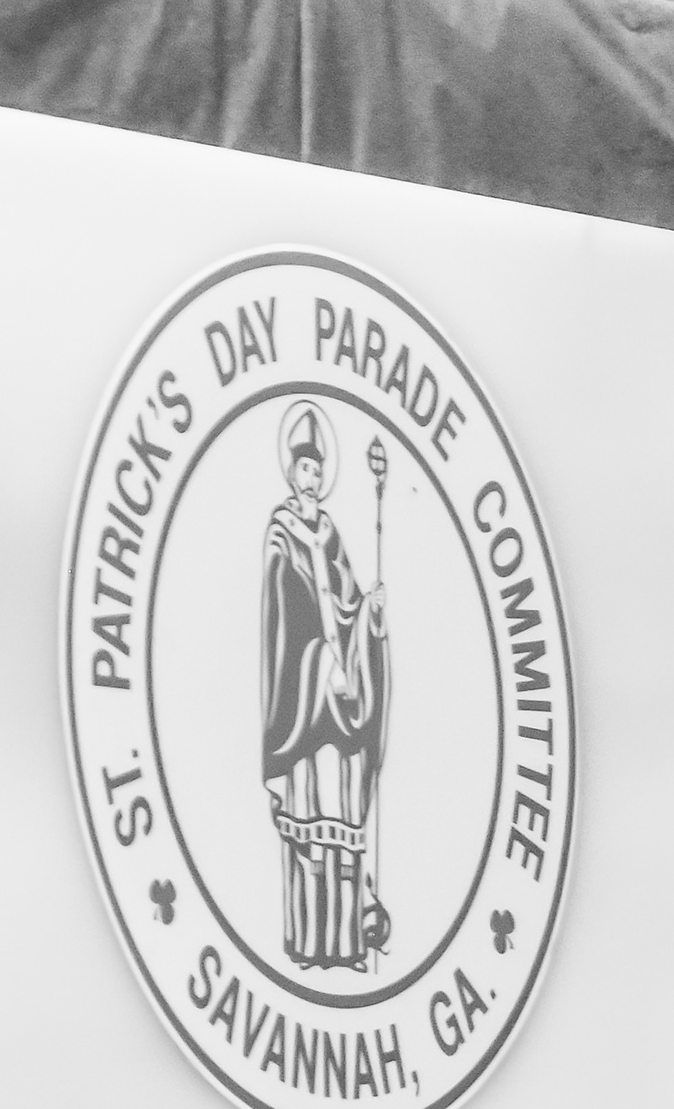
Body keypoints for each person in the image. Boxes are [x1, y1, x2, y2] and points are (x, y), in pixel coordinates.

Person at [259, 399, 392, 971]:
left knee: (343, 831)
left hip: (338, 704)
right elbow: (286, 614)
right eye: (304, 469)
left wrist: (369, 615)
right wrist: (320, 662)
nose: (312, 479)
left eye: (318, 470)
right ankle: (308, 946)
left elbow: (346, 599)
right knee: (309, 834)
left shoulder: (329, 531)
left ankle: (347, 946)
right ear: (291, 473)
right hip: (303, 708)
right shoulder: (280, 534)